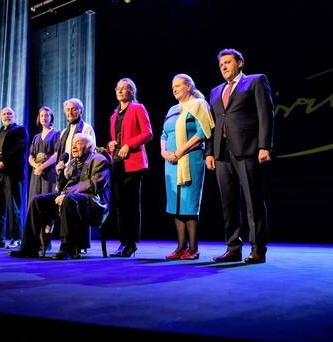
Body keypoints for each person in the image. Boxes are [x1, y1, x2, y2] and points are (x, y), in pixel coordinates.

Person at [205, 48, 274, 264]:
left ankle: (258, 249)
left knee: (253, 199)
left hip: (248, 149)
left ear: (240, 63)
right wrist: (209, 152)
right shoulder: (215, 91)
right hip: (221, 153)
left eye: (227, 62)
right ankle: (233, 247)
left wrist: (264, 146)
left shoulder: (255, 81)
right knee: (228, 202)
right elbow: (212, 125)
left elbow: (266, 114)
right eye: (220, 64)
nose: (223, 67)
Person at [9, 133, 111, 260]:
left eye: (78, 143)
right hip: (71, 199)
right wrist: (60, 173)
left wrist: (67, 194)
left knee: (68, 199)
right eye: (73, 143)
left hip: (92, 204)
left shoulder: (99, 160)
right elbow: (63, 187)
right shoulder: (73, 162)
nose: (74, 146)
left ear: (89, 147)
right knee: (38, 201)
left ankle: (67, 249)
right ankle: (29, 247)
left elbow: (94, 185)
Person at [160, 74, 215, 260]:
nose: (174, 89)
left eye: (178, 85)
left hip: (191, 159)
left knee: (189, 204)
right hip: (171, 162)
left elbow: (203, 132)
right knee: (176, 204)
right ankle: (180, 247)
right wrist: (164, 152)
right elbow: (163, 134)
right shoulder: (172, 109)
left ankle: (193, 248)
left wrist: (180, 152)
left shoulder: (199, 105)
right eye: (172, 86)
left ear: (189, 87)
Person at [107, 78, 153, 258]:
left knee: (131, 204)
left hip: (133, 162)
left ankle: (131, 243)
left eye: (125, 88)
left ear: (131, 92)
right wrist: (111, 144)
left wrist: (129, 145)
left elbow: (148, 133)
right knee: (119, 204)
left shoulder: (137, 108)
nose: (120, 91)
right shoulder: (114, 115)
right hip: (117, 162)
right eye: (118, 88)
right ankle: (123, 242)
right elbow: (117, 137)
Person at [55, 97, 96, 254]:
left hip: (82, 171)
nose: (70, 112)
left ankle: (80, 245)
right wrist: (60, 166)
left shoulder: (86, 128)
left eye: (74, 109)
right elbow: (62, 153)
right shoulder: (64, 132)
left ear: (80, 111)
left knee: (78, 203)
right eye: (68, 110)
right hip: (68, 173)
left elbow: (91, 149)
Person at [0, 107, 29, 250]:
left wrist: (4, 162)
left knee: (14, 208)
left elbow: (20, 148)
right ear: (0, 116)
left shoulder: (20, 130)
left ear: (14, 116)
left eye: (9, 113)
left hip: (12, 174)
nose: (7, 115)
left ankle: (16, 239)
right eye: (4, 113)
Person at [27, 106, 61, 253]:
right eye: (41, 116)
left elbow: (56, 154)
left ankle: (46, 240)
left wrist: (43, 167)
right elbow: (30, 156)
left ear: (51, 117)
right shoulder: (35, 137)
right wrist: (36, 166)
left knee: (48, 206)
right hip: (36, 175)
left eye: (47, 115)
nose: (44, 118)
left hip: (50, 174)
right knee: (34, 204)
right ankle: (35, 240)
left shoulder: (56, 134)